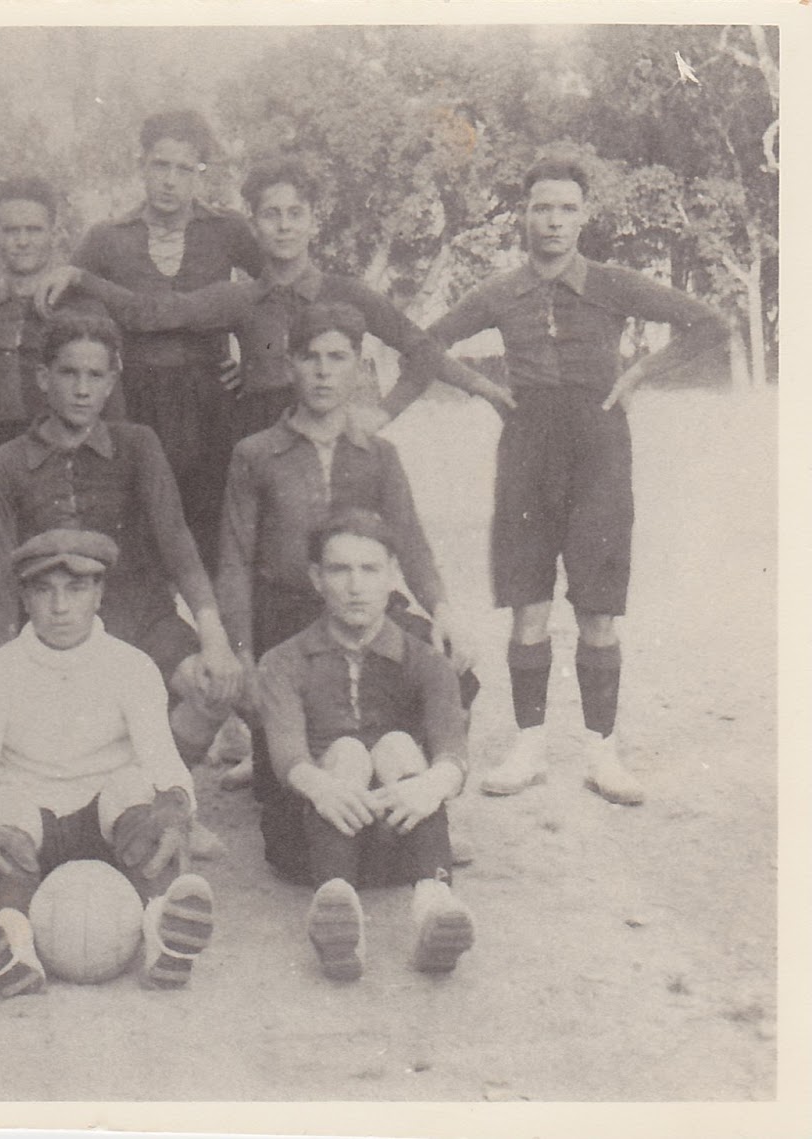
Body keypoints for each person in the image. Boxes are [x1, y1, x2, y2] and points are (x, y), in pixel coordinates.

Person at [427, 157, 730, 806]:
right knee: (528, 605)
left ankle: (602, 753)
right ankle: (528, 748)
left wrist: (638, 374)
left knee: (598, 607)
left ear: (584, 216)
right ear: (524, 214)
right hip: (526, 448)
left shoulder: (613, 284)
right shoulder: (500, 292)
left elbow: (710, 323)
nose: (554, 221)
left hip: (599, 448)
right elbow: (425, 342)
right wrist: (483, 387)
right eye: (542, 207)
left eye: (567, 208)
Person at [38, 156, 514, 437]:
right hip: (255, 438)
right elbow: (149, 313)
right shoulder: (238, 299)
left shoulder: (345, 293)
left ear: (313, 220)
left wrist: (388, 412)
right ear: (255, 223)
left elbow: (422, 348)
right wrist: (80, 276)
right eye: (271, 214)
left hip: (330, 433)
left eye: (295, 213)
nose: (284, 226)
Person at [219, 302, 480, 792]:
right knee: (288, 789)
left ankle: (410, 776)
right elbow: (234, 560)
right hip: (286, 615)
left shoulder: (379, 455)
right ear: (290, 365)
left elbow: (411, 543)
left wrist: (443, 610)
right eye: (310, 357)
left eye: (337, 358)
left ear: (359, 367)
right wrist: (241, 652)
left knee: (449, 668)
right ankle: (274, 751)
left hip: (362, 608)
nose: (323, 372)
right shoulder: (255, 454)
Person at [0, 529, 216, 995]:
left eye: (76, 589)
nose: (60, 607)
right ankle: (14, 946)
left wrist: (176, 804)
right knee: (1, 812)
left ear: (99, 593)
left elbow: (162, 759)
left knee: (141, 795)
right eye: (44, 590)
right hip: (32, 827)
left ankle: (163, 936)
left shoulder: (131, 665)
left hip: (109, 824)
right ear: (24, 597)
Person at [0, 311, 244, 778]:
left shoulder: (138, 445)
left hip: (142, 619)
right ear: (43, 377)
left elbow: (177, 542)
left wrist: (214, 636)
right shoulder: (2, 464)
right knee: (55, 740)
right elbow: (0, 578)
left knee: (214, 689)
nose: (82, 389)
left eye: (95, 375)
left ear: (111, 383)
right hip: (54, 628)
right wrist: (4, 674)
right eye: (69, 373)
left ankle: (156, 790)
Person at [253, 509, 475, 981]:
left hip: (403, 835)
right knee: (347, 752)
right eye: (340, 570)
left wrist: (430, 784)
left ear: (393, 576)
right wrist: (323, 786)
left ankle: (433, 905)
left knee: (397, 746)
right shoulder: (283, 662)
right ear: (317, 578)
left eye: (370, 569)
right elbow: (288, 756)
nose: (356, 586)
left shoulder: (426, 660)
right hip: (311, 844)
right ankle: (338, 913)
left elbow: (453, 751)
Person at [0, 175, 125, 625]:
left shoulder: (78, 303)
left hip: (59, 450)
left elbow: (111, 391)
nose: (23, 240)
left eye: (34, 229)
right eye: (11, 230)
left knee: (63, 582)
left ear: (53, 232)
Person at [69, 109, 267, 567]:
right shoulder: (106, 237)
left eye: (184, 168)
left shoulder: (228, 229)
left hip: (213, 403)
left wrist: (257, 362)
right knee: (142, 546)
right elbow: (62, 299)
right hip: (135, 402)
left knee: (218, 542)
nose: (170, 180)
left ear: (200, 172)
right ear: (141, 164)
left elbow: (275, 295)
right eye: (160, 165)